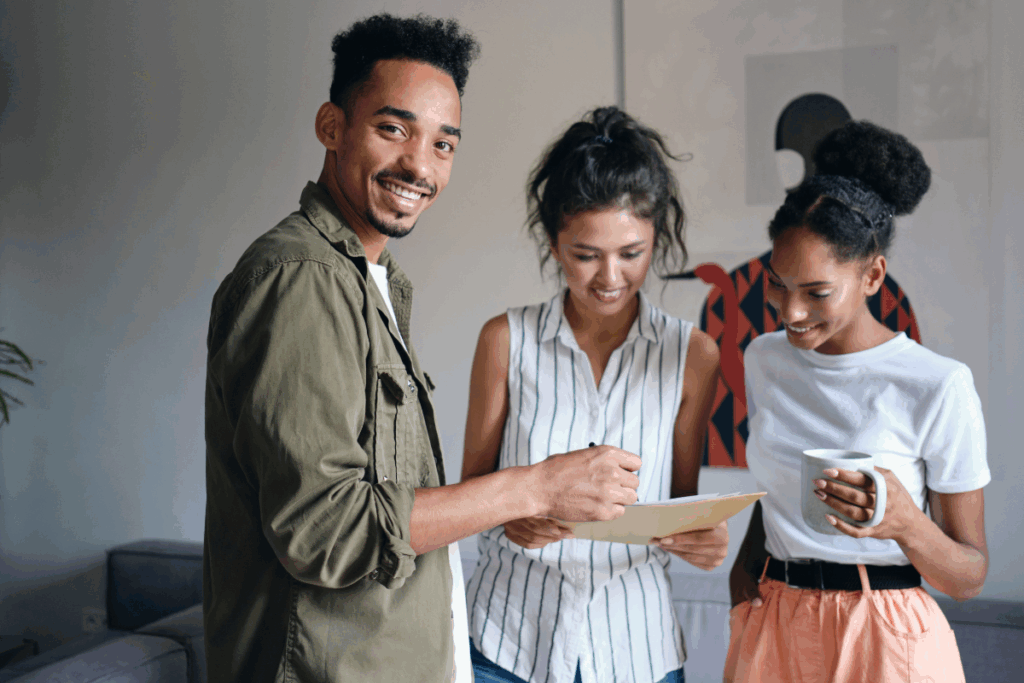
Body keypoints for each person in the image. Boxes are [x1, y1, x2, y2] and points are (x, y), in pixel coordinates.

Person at [203, 15, 643, 683]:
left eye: (443, 144)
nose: (419, 164)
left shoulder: (373, 282)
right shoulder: (301, 278)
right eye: (394, 129)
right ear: (332, 127)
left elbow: (396, 514)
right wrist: (537, 483)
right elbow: (328, 532)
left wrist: (529, 503)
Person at [461, 106, 730, 683]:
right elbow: (469, 500)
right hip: (508, 642)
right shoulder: (505, 341)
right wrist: (508, 520)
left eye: (631, 254)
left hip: (638, 648)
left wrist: (701, 540)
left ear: (657, 238)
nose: (610, 277)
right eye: (586, 255)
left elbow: (679, 506)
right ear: (554, 244)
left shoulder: (693, 355)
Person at [725, 120, 989, 683]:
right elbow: (775, 482)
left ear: (872, 275)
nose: (790, 312)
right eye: (778, 284)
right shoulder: (764, 360)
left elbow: (969, 577)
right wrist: (746, 567)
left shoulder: (937, 385)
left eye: (817, 292)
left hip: (886, 630)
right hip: (774, 621)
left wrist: (905, 522)